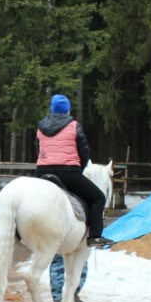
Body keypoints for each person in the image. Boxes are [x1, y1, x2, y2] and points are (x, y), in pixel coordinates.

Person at [36, 93, 109, 246]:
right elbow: (84, 152)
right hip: (68, 173)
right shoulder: (74, 126)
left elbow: (37, 149)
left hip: (42, 173)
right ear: (68, 110)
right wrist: (78, 170)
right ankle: (95, 236)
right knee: (98, 198)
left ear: (52, 109)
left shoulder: (41, 127)